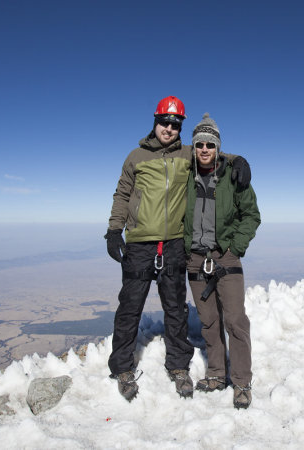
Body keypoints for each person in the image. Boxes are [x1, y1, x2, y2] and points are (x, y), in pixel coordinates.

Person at [104, 96, 251, 401]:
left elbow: (213, 152)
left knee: (175, 308)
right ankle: (122, 367)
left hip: (173, 243)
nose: (169, 128)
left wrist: (240, 161)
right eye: (164, 122)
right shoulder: (136, 156)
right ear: (155, 122)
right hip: (140, 243)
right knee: (130, 307)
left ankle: (178, 366)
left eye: (175, 124)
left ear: (180, 127)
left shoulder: (187, 154)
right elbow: (122, 194)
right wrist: (114, 230)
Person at [184, 113, 260, 409]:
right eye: (199, 144)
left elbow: (251, 215)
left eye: (210, 145)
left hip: (225, 256)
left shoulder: (233, 175)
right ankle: (216, 373)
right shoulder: (185, 175)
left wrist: (235, 248)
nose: (204, 149)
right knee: (208, 321)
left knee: (235, 320)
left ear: (218, 148)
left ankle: (241, 381)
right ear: (193, 147)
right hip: (195, 259)